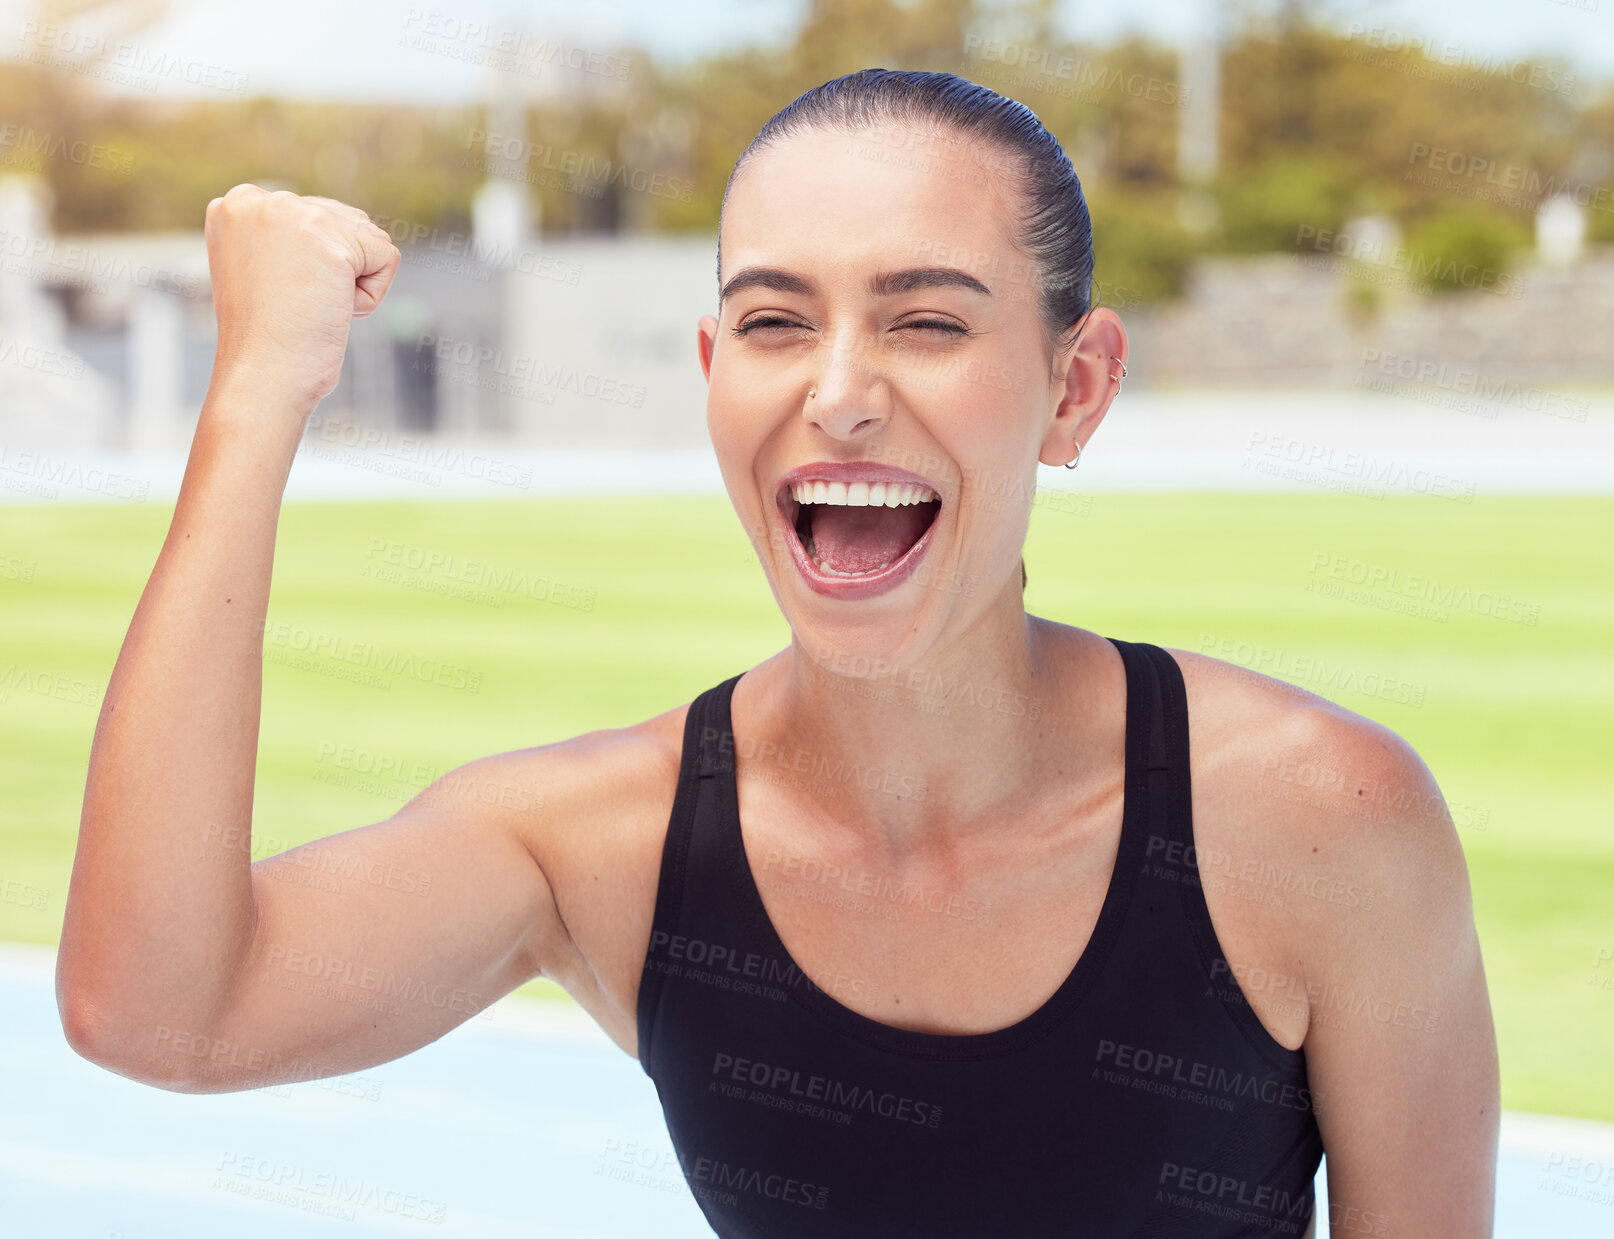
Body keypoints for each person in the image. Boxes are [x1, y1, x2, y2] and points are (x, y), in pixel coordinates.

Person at [58, 68, 1498, 1237]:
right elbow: (157, 1010)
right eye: (773, 323)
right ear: (711, 377)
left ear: (1075, 388)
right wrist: (256, 395)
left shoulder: (1319, 820)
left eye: (927, 320)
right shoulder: (600, 847)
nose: (840, 394)